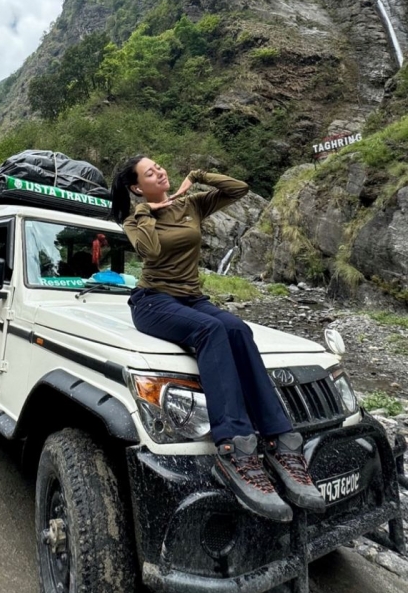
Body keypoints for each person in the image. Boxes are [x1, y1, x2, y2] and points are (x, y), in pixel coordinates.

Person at [111, 155, 325, 523]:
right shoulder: (137, 218)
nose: (160, 171)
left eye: (160, 166)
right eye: (149, 173)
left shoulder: (192, 204)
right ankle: (235, 447)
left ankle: (281, 441)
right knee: (211, 330)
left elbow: (238, 189)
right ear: (136, 187)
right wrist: (150, 209)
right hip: (152, 302)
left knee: (238, 329)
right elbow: (149, 250)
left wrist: (198, 176)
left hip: (193, 299)